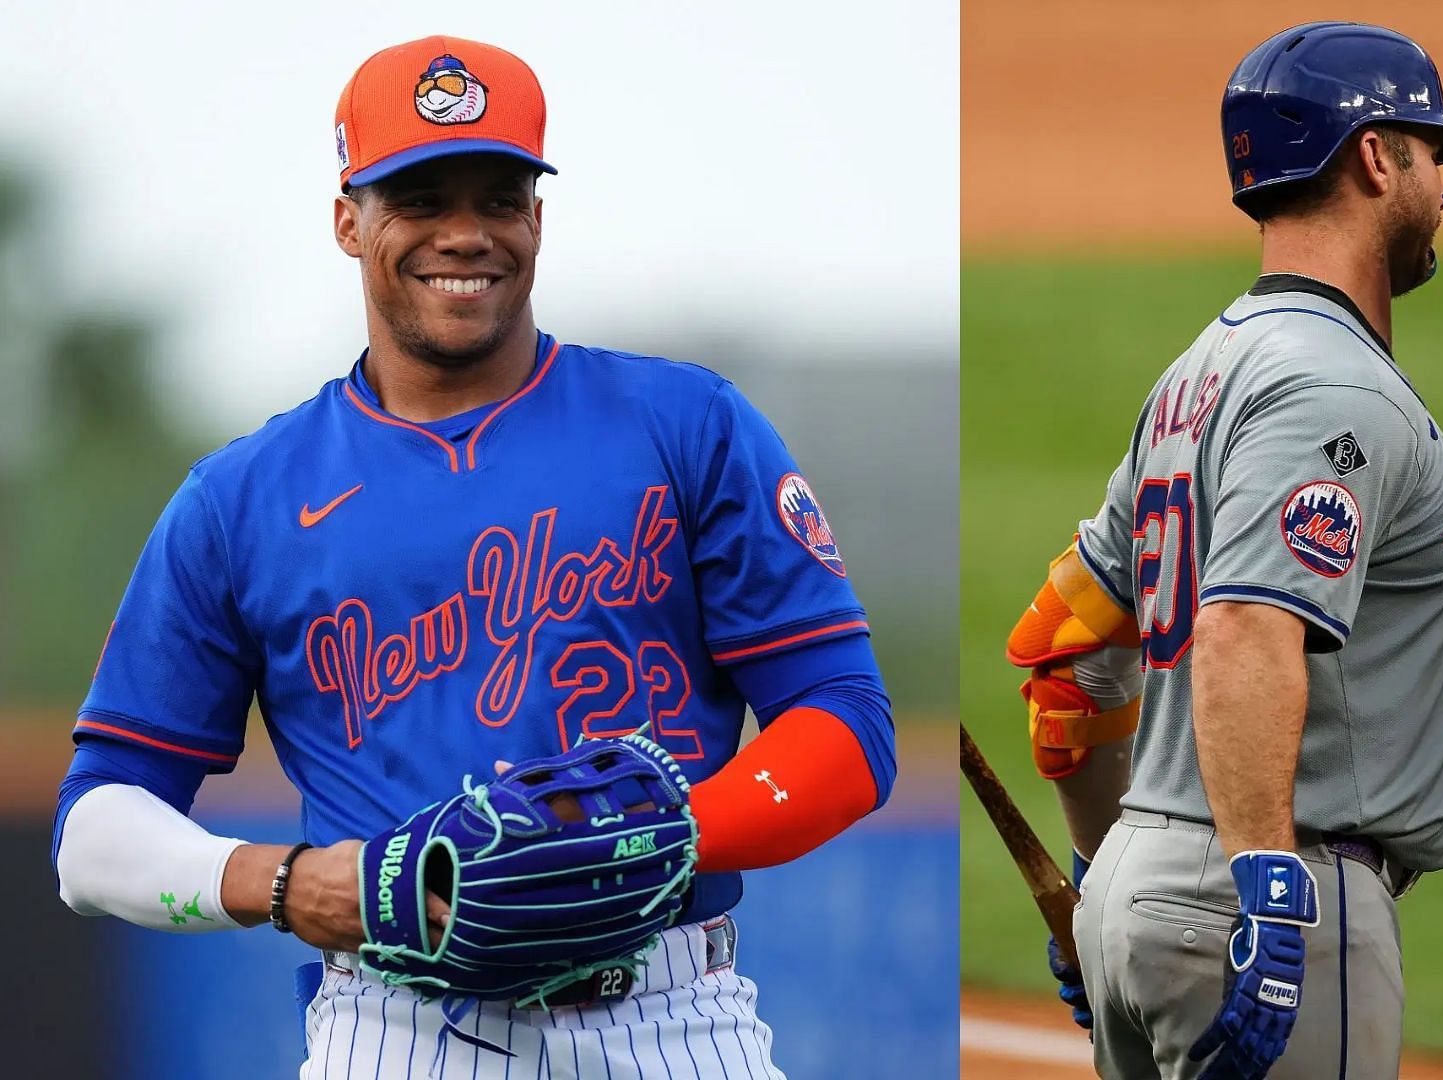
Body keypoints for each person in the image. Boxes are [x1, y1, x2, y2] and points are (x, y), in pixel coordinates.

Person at [50, 35, 895, 1078]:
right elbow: (96, 831)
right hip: (395, 1026)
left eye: (499, 197)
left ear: (537, 219)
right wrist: (295, 883)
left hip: (672, 1013)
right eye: (417, 196)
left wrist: (666, 836)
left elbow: (848, 729)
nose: (464, 233)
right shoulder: (241, 498)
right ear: (348, 221)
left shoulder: (687, 425)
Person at [1004, 22, 1443, 1079]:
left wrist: (1102, 880)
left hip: (1148, 892)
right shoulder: (1331, 386)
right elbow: (1245, 630)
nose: (1442, 195)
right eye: (1428, 155)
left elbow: (1064, 654)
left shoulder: (1195, 374)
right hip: (1269, 896)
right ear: (1375, 156)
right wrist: (1272, 898)